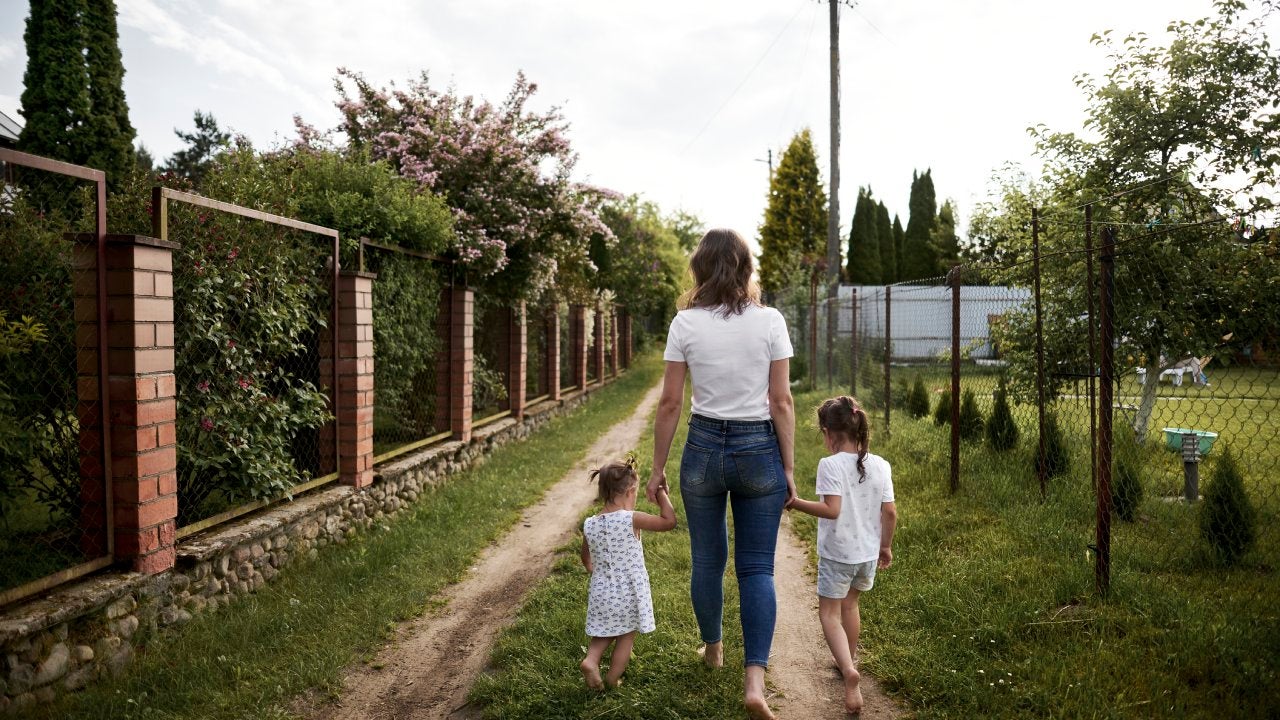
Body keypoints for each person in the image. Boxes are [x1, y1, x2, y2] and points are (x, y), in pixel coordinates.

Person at [648, 228, 795, 720]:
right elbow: (781, 401)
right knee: (757, 568)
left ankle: (713, 648)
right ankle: (754, 682)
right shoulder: (771, 320)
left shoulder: (684, 324)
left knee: (707, 560)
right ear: (745, 269)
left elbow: (670, 402)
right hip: (758, 448)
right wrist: (789, 467)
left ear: (700, 270)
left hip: (704, 446)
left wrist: (656, 469)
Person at [788, 396, 897, 715]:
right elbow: (889, 512)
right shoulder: (881, 465)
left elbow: (831, 510)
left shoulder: (830, 465)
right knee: (851, 605)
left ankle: (849, 672)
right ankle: (847, 659)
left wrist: (795, 503)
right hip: (866, 555)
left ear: (830, 433)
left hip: (838, 555)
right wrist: (885, 547)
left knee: (829, 614)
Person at [580, 458, 677, 690]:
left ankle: (591, 660)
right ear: (631, 491)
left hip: (601, 590)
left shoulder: (590, 523)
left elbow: (585, 555)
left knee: (605, 630)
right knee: (626, 635)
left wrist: (593, 570)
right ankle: (613, 679)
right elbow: (669, 521)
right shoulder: (631, 519)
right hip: (629, 592)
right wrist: (661, 492)